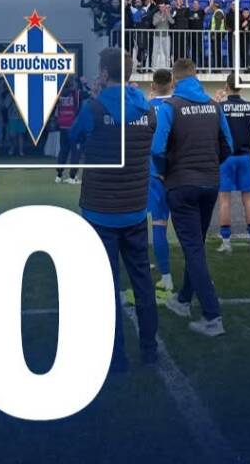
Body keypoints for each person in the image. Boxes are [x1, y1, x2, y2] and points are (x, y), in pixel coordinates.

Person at [72, 50, 159, 370]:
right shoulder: (147, 109)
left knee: (106, 286)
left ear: (104, 73)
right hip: (135, 207)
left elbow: (73, 136)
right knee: (142, 282)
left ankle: (116, 356)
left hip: (100, 210)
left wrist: (97, 98)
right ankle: (149, 349)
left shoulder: (93, 108)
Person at [152, 58, 233, 337]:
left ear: (174, 80)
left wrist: (164, 172)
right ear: (196, 75)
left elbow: (157, 149)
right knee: (195, 244)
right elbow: (228, 144)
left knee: (193, 249)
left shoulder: (170, 106)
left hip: (181, 184)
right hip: (209, 183)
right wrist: (210, 165)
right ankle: (184, 299)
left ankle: (212, 316)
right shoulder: (213, 105)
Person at [216, 73, 250, 254]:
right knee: (248, 199)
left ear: (227, 86)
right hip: (244, 156)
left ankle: (226, 242)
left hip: (226, 158)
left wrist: (218, 101)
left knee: (224, 201)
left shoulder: (219, 107)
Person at [146, 69, 175, 299]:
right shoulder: (178, 105)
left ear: (153, 85)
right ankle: (197, 274)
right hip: (179, 173)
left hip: (154, 173)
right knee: (188, 227)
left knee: (157, 223)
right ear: (172, 83)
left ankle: (166, 276)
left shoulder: (145, 108)